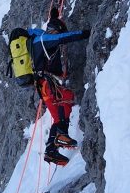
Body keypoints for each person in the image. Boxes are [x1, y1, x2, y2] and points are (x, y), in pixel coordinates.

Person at [26, 8, 89, 166]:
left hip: (44, 85)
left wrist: (54, 17)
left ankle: (51, 151)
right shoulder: (44, 39)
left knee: (63, 105)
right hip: (48, 84)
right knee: (63, 106)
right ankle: (60, 136)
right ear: (55, 30)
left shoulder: (38, 39)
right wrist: (85, 33)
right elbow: (63, 38)